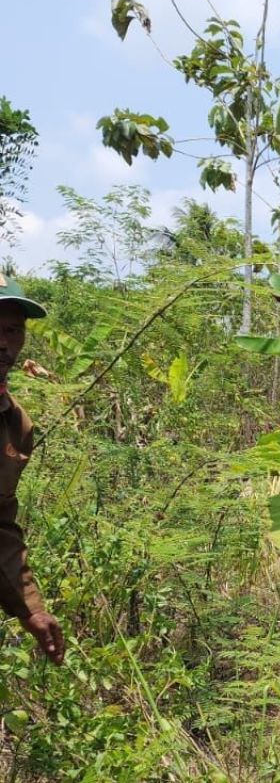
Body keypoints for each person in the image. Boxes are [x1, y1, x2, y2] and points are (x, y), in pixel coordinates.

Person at [0, 274, 65, 665]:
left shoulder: (15, 426)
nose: (2, 343)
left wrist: (30, 609)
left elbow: (0, 524)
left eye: (11, 330)